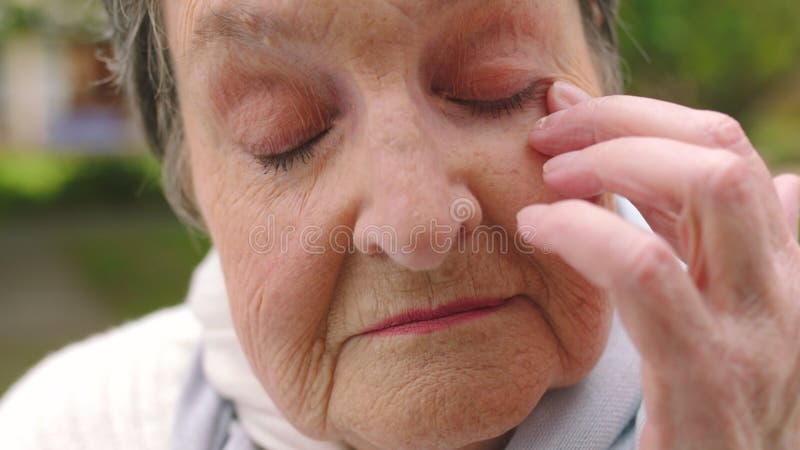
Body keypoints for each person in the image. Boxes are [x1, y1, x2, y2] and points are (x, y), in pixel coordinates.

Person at [2, 1, 799, 449]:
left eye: (495, 88)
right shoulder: (72, 428)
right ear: (189, 178)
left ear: (600, 67)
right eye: (286, 132)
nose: (419, 226)